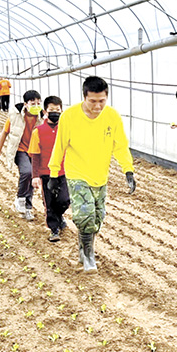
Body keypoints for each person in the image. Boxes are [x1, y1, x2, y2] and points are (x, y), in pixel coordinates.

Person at [47, 76, 136, 271]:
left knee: (97, 217)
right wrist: (54, 174)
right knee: (85, 214)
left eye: (102, 101)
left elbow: (120, 146)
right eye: (93, 101)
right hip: (76, 172)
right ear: (84, 97)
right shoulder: (69, 116)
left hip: (100, 175)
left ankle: (83, 247)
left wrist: (128, 169)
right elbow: (59, 146)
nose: (97, 106)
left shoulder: (112, 116)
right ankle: (88, 256)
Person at [0, 90, 43, 221]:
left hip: (34, 152)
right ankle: (20, 199)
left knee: (32, 179)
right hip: (20, 150)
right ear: (25, 104)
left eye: (38, 103)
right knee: (27, 172)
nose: (36, 106)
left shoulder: (41, 117)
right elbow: (4, 133)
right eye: (33, 103)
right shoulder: (15, 116)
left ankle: (28, 208)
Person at [28, 96, 70, 242]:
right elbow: (35, 155)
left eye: (58, 110)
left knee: (65, 199)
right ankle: (54, 229)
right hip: (45, 173)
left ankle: (59, 216)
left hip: (64, 172)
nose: (55, 113)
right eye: (52, 110)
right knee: (49, 202)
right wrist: (35, 176)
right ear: (45, 111)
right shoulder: (38, 131)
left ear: (62, 111)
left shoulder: (66, 130)